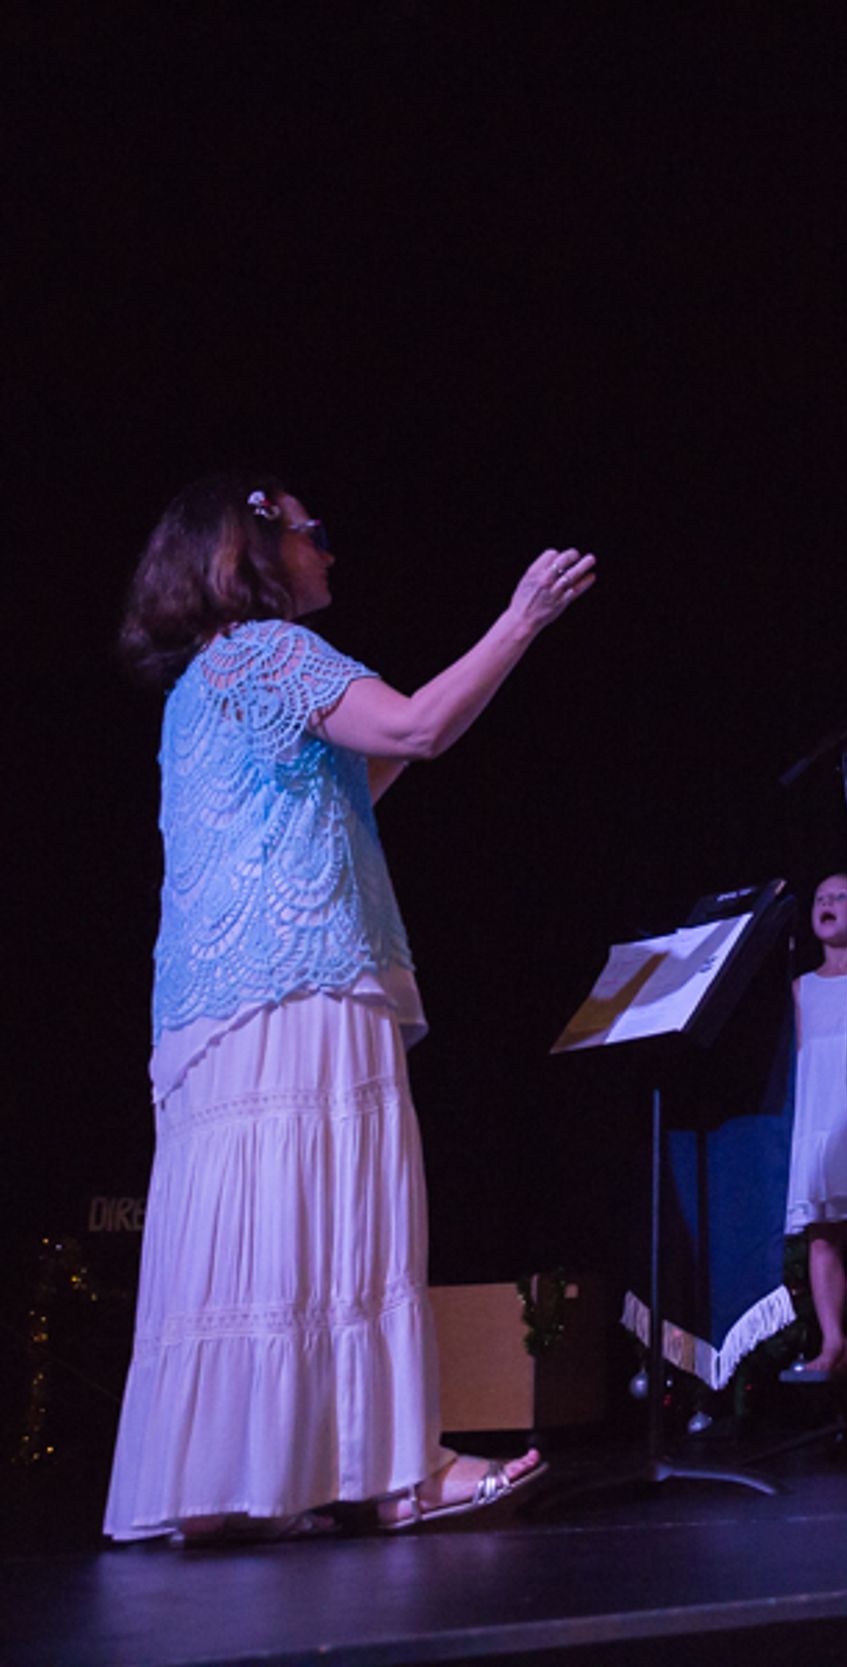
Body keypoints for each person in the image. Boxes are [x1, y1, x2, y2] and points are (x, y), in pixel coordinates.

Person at [106, 474, 589, 1542]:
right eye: (309, 532)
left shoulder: (199, 684)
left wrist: (404, 741)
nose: (327, 549)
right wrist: (523, 619)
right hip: (305, 979)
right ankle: (399, 1475)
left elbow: (346, 787)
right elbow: (415, 726)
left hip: (214, 1012)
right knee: (338, 1219)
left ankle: (229, 1489)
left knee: (257, 1233)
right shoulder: (275, 652)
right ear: (253, 550)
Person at [785, 874, 847, 1380]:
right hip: (816, 1111)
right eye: (820, 897)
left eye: (839, 897)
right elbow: (801, 1054)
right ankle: (832, 1338)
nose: (826, 902)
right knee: (822, 1230)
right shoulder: (802, 987)